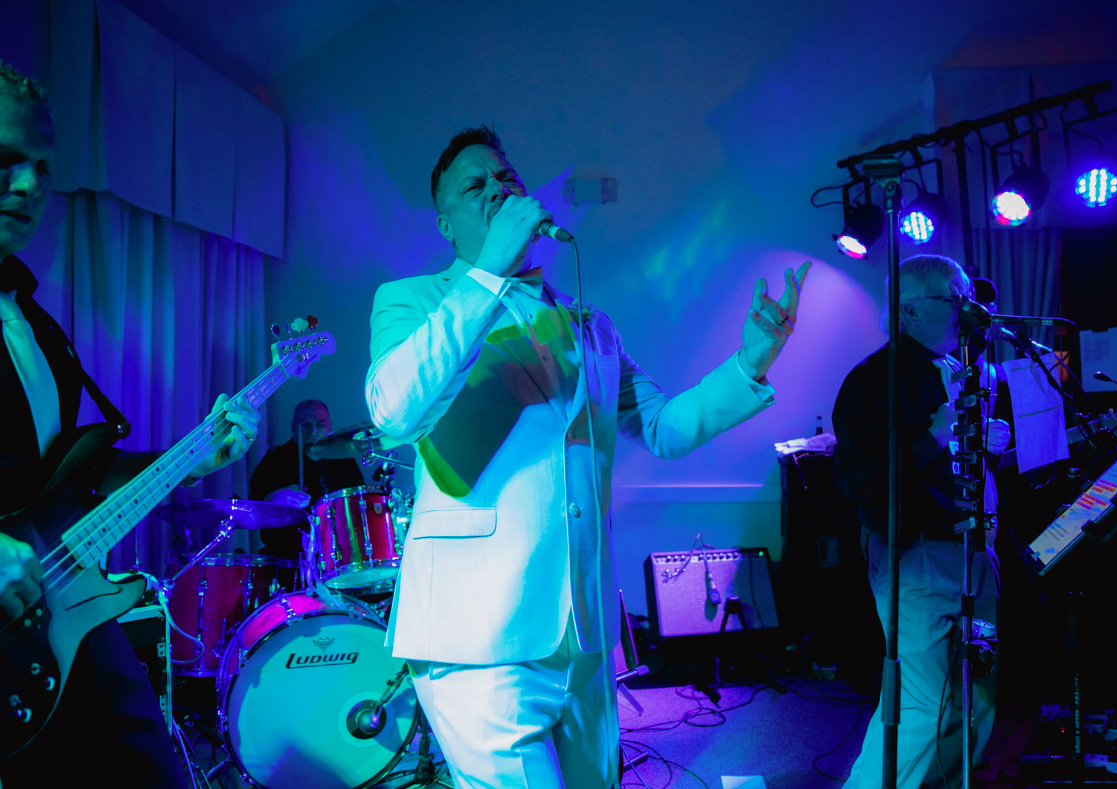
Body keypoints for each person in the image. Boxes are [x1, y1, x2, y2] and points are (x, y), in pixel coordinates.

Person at [365, 125, 809, 789]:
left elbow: (662, 427)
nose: (497, 190)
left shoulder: (588, 324)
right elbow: (394, 409)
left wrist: (751, 361)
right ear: (447, 223)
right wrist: (487, 273)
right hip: (477, 640)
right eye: (475, 185)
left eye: (506, 179)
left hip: (585, 638)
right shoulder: (415, 300)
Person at [0, 62, 260, 787]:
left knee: (153, 764)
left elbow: (75, 479)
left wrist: (194, 455)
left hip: (67, 610)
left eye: (42, 169)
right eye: (5, 159)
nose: (27, 186)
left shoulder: (37, 324)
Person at [833, 254, 1011, 789]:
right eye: (953, 298)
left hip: (975, 554)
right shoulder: (871, 382)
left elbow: (962, 469)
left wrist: (993, 448)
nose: (967, 308)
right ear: (909, 310)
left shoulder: (968, 370)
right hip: (918, 557)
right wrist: (934, 431)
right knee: (924, 705)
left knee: (975, 698)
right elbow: (861, 482)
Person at [248, 398, 364, 559]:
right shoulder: (273, 462)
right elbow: (252, 509)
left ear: (329, 427)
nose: (313, 431)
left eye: (320, 424)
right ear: (293, 428)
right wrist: (272, 499)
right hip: (286, 556)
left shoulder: (344, 459)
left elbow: (360, 503)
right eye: (305, 425)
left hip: (339, 555)